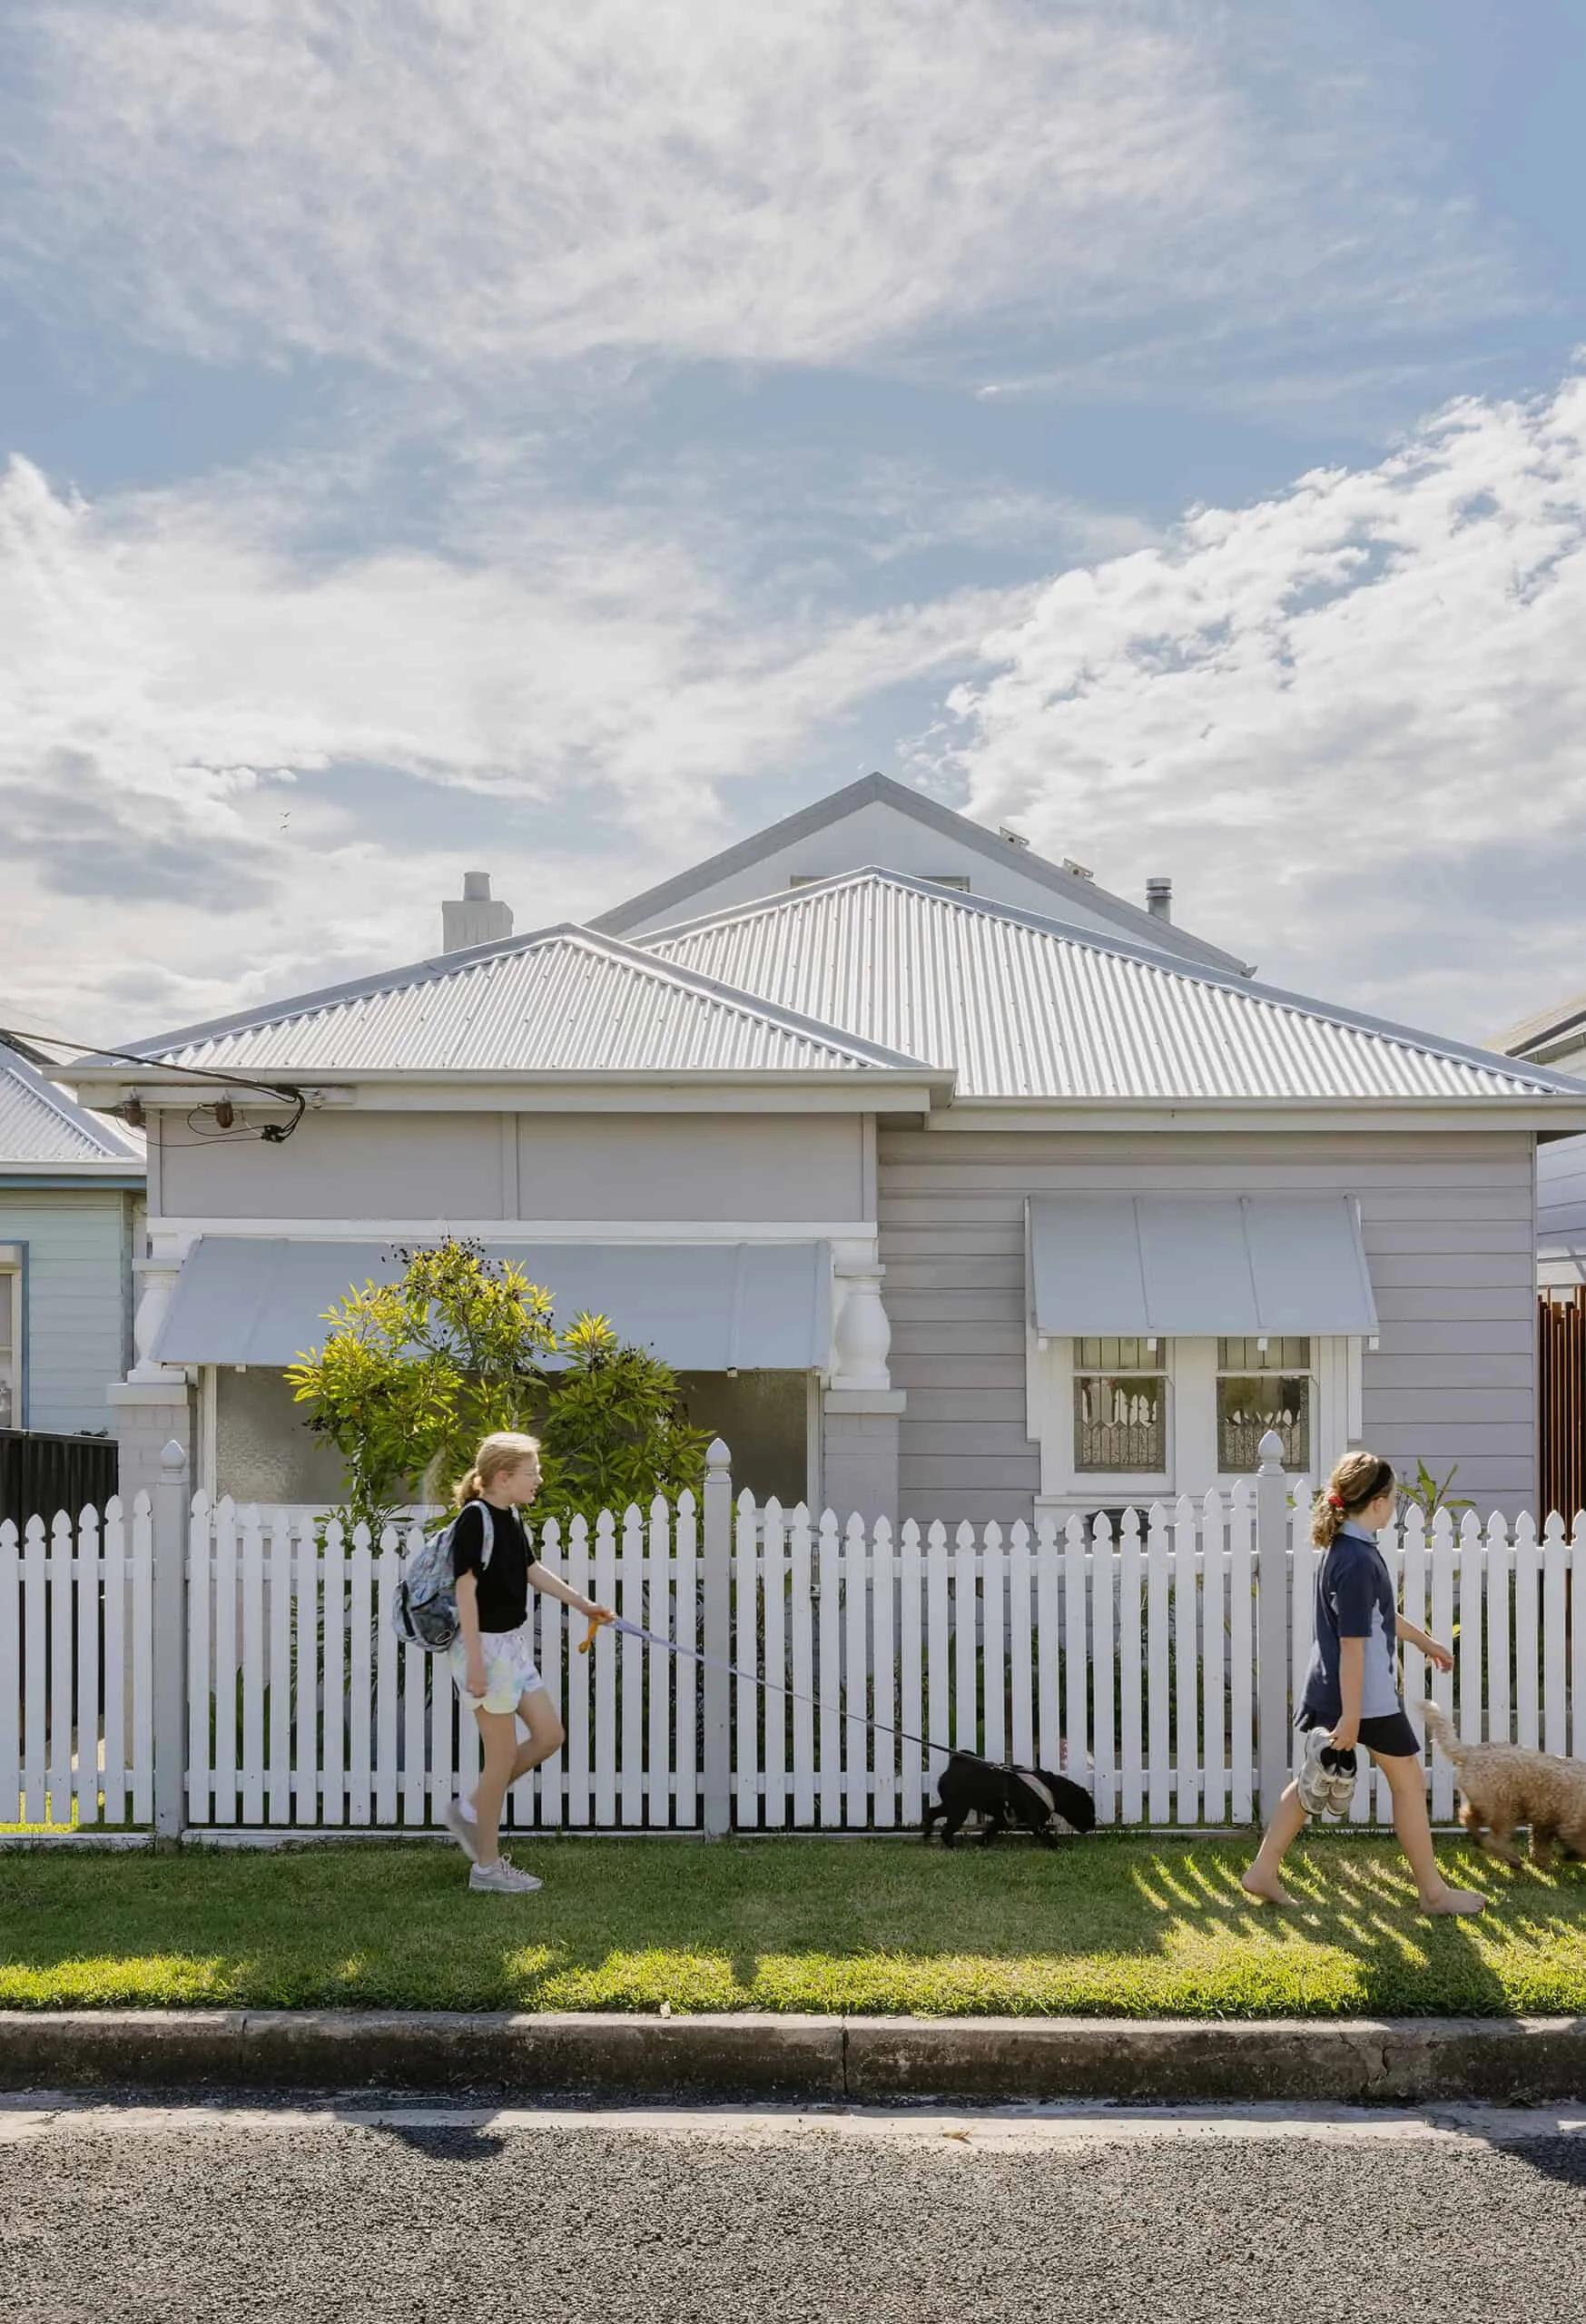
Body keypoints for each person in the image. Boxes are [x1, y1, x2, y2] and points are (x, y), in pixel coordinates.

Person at [1242, 1449, 1484, 1916]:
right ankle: (1433, 1894)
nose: (1394, 1505)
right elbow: (1354, 1645)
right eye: (1392, 1497)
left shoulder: (1348, 1550)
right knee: (1409, 1784)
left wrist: (1425, 1641)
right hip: (1363, 1698)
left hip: (1337, 1689)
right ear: (1376, 1502)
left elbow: (1377, 1617)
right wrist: (1352, 1717)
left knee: (1311, 1781)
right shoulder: (1354, 1560)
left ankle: (1263, 1871)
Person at [443, 1430, 612, 1895]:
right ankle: (486, 1868)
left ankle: (472, 1808)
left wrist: (584, 1604)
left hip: (509, 1647)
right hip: (484, 1650)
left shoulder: (509, 1515)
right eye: (531, 1472)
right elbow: (465, 1590)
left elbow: (530, 1570)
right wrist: (475, 1662)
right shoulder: (474, 1519)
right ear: (502, 1476)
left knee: (549, 1735)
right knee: (499, 1759)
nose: (538, 1479)